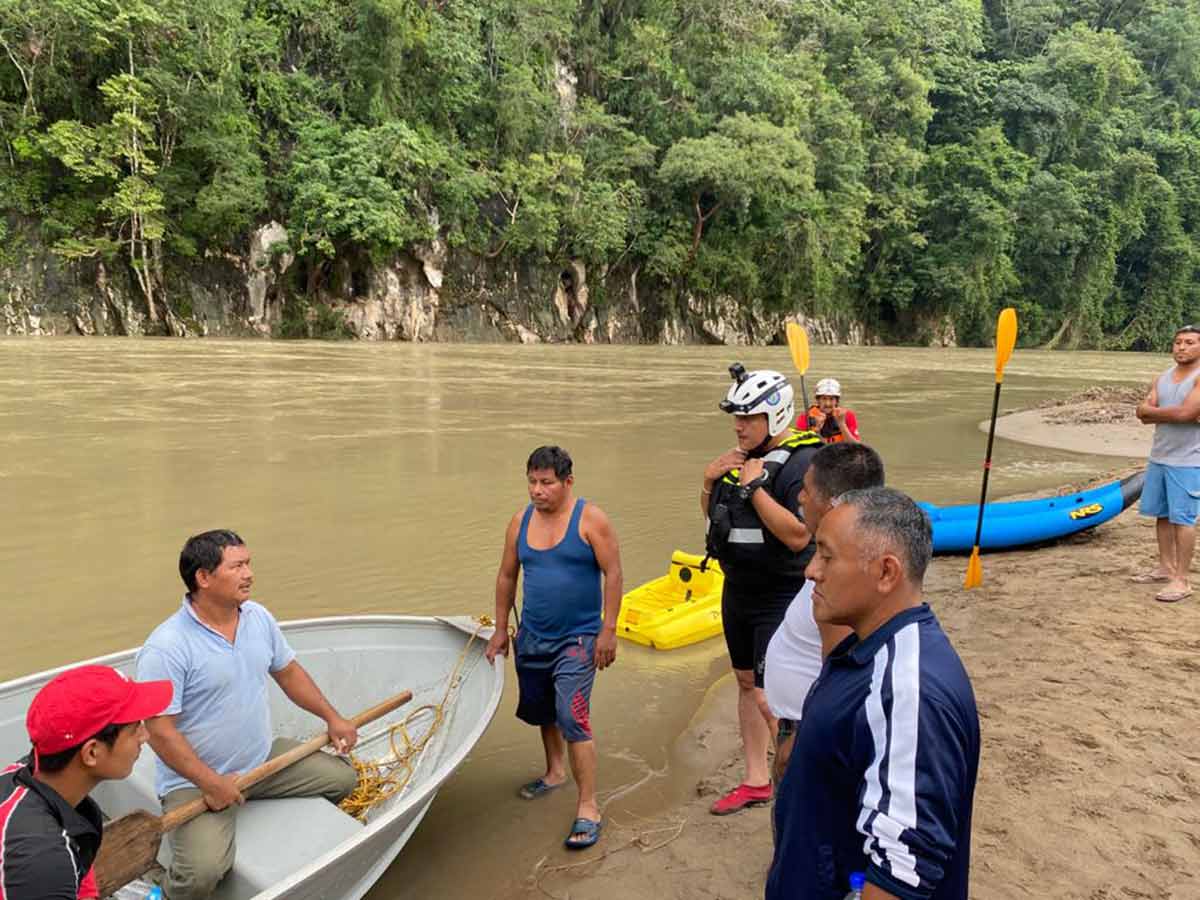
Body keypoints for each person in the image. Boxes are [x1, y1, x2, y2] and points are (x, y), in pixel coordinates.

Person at [767, 487, 980, 900]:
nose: (811, 571)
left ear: (886, 573)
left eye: (826, 556)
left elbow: (901, 872)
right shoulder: (866, 650)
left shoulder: (908, 690)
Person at [136, 529, 360, 900]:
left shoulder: (257, 617)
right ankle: (162, 892)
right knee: (202, 875)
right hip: (196, 783)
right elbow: (160, 732)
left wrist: (332, 717)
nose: (249, 574)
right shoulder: (167, 647)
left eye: (248, 564)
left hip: (260, 763)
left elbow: (288, 673)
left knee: (342, 779)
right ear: (203, 578)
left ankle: (255, 798)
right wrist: (211, 783)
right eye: (237, 566)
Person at [485, 446, 623, 850]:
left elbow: (613, 573)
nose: (537, 491)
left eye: (546, 483)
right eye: (531, 481)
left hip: (578, 639)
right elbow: (506, 577)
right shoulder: (520, 521)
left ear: (567, 482)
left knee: (572, 715)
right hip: (532, 635)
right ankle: (554, 772)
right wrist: (499, 630)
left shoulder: (590, 520)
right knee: (544, 709)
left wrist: (609, 630)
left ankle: (588, 806)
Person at [700, 363, 821, 815]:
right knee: (746, 683)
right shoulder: (738, 460)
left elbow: (797, 535)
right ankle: (756, 780)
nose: (739, 426)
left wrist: (754, 489)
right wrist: (710, 480)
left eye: (748, 418)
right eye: (736, 418)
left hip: (781, 595)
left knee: (774, 698)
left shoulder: (803, 463)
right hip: (739, 591)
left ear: (774, 417)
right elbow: (714, 517)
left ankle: (800, 795)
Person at [763, 441, 885, 788]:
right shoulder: (851, 561)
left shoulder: (840, 580)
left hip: (812, 731)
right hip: (802, 722)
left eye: (806, 490)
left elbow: (843, 673)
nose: (799, 498)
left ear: (832, 504)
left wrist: (800, 742)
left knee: (800, 828)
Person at [1, 664, 172, 900]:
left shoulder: (28, 773)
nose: (145, 735)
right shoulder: (43, 864)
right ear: (92, 752)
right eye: (134, 729)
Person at [1133, 324, 1200, 603]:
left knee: (1183, 519)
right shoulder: (1161, 377)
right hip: (1159, 456)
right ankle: (1165, 567)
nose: (1181, 347)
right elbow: (1141, 412)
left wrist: (1156, 412)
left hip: (1188, 460)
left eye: (1189, 343)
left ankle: (1181, 580)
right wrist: (1173, 413)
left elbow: (1186, 414)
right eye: (1177, 343)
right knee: (1161, 514)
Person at [798, 377, 861, 444]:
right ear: (818, 400)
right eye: (824, 399)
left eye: (831, 399)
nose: (828, 404)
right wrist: (816, 431)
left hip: (841, 452)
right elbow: (802, 448)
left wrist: (842, 424)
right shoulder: (806, 417)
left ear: (837, 401)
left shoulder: (848, 416)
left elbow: (856, 447)